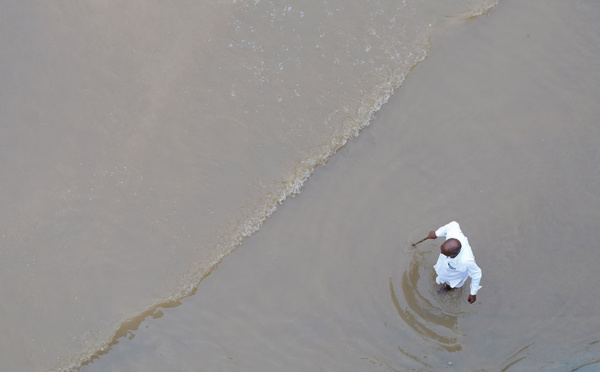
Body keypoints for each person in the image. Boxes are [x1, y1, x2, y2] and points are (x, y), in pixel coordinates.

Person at [425, 221, 482, 304]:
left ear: (455, 254)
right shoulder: (454, 232)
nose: (442, 254)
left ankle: (448, 287)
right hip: (444, 265)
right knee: (442, 271)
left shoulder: (466, 261)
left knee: (452, 281)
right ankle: (443, 279)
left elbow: (477, 274)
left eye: (446, 255)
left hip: (455, 273)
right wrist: (436, 234)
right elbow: (452, 224)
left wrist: (473, 293)